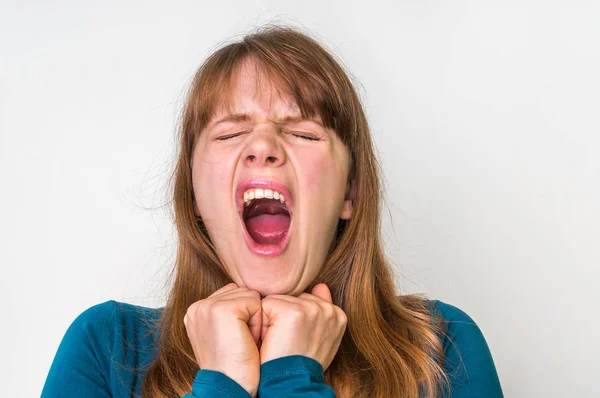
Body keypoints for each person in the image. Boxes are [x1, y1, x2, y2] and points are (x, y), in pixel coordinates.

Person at [42, 25, 503, 398]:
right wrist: (220, 386)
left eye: (303, 132)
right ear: (196, 196)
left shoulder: (440, 349)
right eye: (227, 135)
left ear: (350, 192)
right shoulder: (105, 348)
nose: (262, 147)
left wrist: (290, 377)